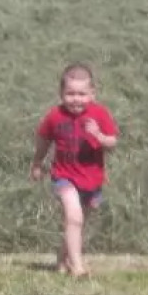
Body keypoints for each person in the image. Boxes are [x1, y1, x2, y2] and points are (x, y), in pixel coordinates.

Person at [30, 63, 118, 277]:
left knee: (76, 223)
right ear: (61, 93)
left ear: (92, 94)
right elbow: (43, 139)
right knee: (74, 218)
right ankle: (77, 268)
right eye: (70, 94)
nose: (76, 99)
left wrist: (98, 135)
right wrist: (37, 163)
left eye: (81, 93)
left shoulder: (100, 114)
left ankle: (62, 260)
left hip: (92, 180)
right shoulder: (55, 116)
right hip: (64, 176)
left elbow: (112, 143)